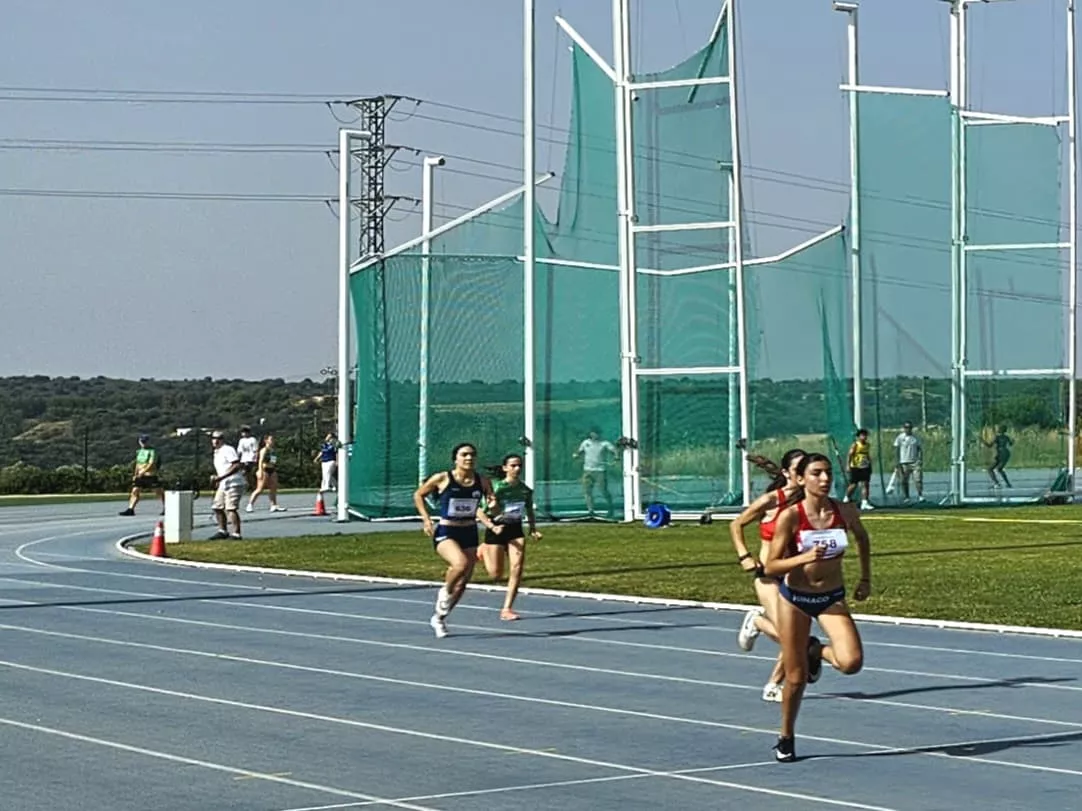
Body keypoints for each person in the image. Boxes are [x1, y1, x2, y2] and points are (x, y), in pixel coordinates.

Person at [764, 452, 872, 762]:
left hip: (831, 597)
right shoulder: (791, 516)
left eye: (828, 473)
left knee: (851, 662)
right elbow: (771, 565)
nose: (825, 479)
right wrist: (804, 558)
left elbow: (863, 539)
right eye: (816, 473)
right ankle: (786, 736)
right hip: (795, 599)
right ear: (800, 479)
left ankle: (815, 650)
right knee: (796, 678)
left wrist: (865, 578)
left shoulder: (844, 511)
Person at [728, 448, 806, 703]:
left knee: (797, 638)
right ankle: (757, 622)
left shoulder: (810, 501)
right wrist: (744, 556)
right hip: (768, 575)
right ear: (787, 473)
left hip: (795, 576)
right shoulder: (772, 500)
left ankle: (773, 684)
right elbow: (736, 524)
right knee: (790, 637)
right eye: (798, 469)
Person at [413, 442, 499, 638]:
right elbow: (418, 495)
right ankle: (445, 590)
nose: (469, 458)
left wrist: (494, 505)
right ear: (455, 459)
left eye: (472, 455)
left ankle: (439, 617)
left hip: (469, 531)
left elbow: (493, 506)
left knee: (463, 583)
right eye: (464, 454)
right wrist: (426, 519)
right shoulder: (443, 478)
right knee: (460, 564)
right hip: (447, 530)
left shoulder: (482, 481)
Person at [477, 453, 543, 621]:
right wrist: (491, 525)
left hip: (515, 529)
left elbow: (529, 510)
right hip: (497, 529)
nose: (517, 468)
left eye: (519, 465)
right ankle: (483, 549)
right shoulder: (497, 488)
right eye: (513, 465)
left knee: (517, 568)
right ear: (505, 468)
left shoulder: (525, 490)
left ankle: (507, 609)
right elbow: (479, 511)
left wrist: (533, 529)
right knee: (496, 575)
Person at [573, 428, 617, 518]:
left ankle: (611, 509)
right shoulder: (585, 443)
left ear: (599, 434)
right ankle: (591, 511)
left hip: (600, 471)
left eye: (596, 433)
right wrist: (576, 455)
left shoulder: (604, 443)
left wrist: (616, 457)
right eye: (592, 433)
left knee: (603, 490)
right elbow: (579, 451)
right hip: (587, 471)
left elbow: (614, 450)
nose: (594, 435)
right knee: (587, 491)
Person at [209, 430, 246, 540]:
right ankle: (222, 531)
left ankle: (236, 533)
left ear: (222, 439)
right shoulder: (217, 452)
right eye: (214, 438)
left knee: (231, 508)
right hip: (223, 483)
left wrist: (221, 477)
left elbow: (236, 465)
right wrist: (218, 479)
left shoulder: (228, 450)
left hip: (234, 482)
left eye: (218, 438)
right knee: (217, 507)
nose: (216, 441)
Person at [118, 434, 164, 516]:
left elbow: (151, 463)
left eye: (145, 441)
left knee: (158, 492)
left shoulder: (152, 451)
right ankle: (131, 509)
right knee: (135, 491)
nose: (143, 443)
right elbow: (138, 464)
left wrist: (143, 472)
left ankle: (166, 507)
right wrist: (135, 474)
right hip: (140, 475)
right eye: (142, 441)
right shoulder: (139, 451)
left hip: (150, 475)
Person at [246, 433, 287, 513]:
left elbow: (273, 460)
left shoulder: (273, 450)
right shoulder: (264, 450)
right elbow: (260, 461)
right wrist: (260, 471)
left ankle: (273, 505)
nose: (273, 441)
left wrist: (274, 468)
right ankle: (250, 505)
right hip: (264, 470)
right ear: (266, 441)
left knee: (273, 488)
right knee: (260, 489)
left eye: (273, 439)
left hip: (272, 470)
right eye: (271, 439)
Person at [892, 422, 924, 504]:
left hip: (914, 462)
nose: (908, 429)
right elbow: (896, 449)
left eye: (909, 427)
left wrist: (920, 459)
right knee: (904, 480)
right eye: (906, 427)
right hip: (904, 462)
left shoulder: (916, 438)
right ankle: (906, 497)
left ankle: (920, 496)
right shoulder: (900, 437)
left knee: (918, 479)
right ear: (904, 428)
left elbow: (919, 449)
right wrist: (897, 462)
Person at [844, 429, 874, 511]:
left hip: (865, 467)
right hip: (856, 467)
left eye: (865, 435)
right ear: (859, 436)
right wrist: (848, 465)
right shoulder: (856, 445)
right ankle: (846, 498)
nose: (864, 437)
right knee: (854, 484)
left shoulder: (867, 445)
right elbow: (850, 455)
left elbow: (867, 455)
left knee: (865, 484)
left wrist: (870, 466)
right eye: (862, 435)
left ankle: (864, 503)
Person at [237, 425, 260, 491]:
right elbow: (239, 451)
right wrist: (237, 459)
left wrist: (256, 459)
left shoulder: (252, 439)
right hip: (243, 459)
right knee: (245, 473)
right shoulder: (241, 440)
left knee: (250, 473)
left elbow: (256, 450)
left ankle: (252, 486)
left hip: (251, 459)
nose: (243, 434)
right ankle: (249, 485)